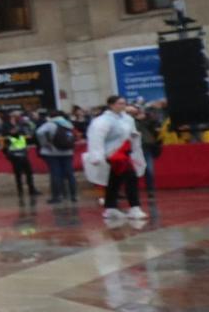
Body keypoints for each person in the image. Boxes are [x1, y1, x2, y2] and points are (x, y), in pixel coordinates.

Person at [85, 96, 146, 224]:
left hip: (124, 152)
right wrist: (96, 155)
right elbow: (96, 137)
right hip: (112, 155)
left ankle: (110, 208)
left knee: (114, 181)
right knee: (131, 177)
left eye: (124, 103)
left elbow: (131, 133)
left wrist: (134, 139)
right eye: (120, 103)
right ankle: (134, 207)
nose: (123, 106)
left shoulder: (127, 119)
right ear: (111, 105)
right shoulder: (102, 121)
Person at [36, 110, 78, 204]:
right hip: (68, 152)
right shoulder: (68, 124)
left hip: (52, 153)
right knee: (70, 174)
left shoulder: (50, 124)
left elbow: (39, 132)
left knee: (56, 174)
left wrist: (45, 143)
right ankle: (73, 195)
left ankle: (57, 196)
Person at [3, 125, 38, 199]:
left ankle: (31, 190)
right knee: (18, 175)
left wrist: (26, 151)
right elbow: (4, 150)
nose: (14, 130)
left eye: (15, 129)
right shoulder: (8, 139)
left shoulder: (22, 137)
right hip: (15, 159)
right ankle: (20, 191)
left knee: (29, 173)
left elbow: (25, 145)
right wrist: (10, 157)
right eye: (13, 129)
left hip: (24, 157)